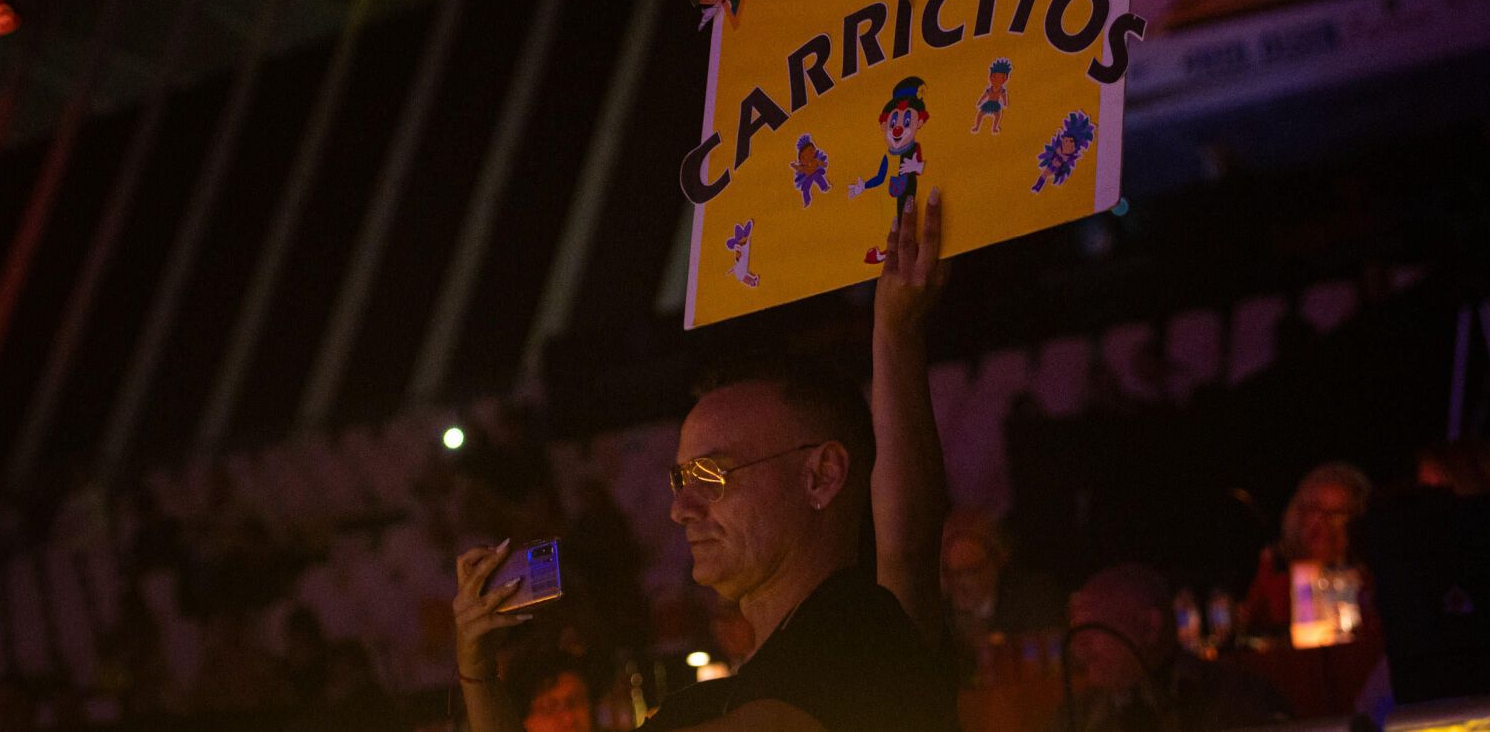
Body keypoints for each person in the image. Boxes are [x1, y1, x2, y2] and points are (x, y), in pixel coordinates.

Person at [454, 190, 959, 731]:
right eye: (679, 479)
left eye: (712, 475)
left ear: (821, 476)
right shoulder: (731, 694)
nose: (680, 509)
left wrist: (896, 332)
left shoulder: (857, 644)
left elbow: (908, 544)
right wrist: (477, 670)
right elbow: (908, 548)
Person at [1056, 564, 1284, 732]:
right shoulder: (1075, 717)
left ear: (1150, 626)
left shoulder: (1237, 698)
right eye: (1075, 631)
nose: (1078, 646)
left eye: (1092, 629)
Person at [1238, 462, 1371, 636]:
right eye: (1312, 510)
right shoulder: (1274, 570)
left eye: (1334, 514)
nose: (1319, 522)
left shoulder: (1370, 577)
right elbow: (1246, 627)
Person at [940, 508, 1065, 678]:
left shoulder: (1033, 598)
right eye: (952, 572)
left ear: (998, 560)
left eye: (971, 571)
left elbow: (1046, 660)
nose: (961, 583)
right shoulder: (938, 611)